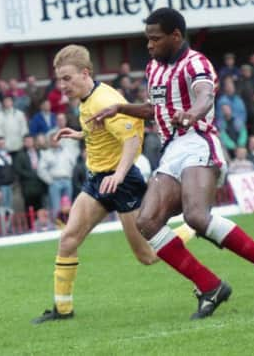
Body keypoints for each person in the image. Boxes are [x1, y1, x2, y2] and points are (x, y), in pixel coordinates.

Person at [88, 8, 254, 320]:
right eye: (147, 39)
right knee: (147, 222)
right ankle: (209, 285)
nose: (149, 45)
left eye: (155, 39)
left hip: (198, 141)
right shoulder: (154, 68)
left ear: (176, 36)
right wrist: (120, 108)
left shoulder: (195, 62)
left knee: (196, 216)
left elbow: (205, 95)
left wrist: (192, 113)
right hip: (171, 149)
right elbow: (155, 110)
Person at [32, 44, 159, 324]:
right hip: (98, 180)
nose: (62, 85)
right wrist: (79, 134)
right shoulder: (87, 98)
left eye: (67, 78)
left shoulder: (103, 100)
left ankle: (190, 229)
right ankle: (62, 311)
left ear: (85, 73)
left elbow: (132, 140)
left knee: (147, 256)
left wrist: (119, 174)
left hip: (122, 182)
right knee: (68, 239)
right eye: (59, 80)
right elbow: (103, 131)